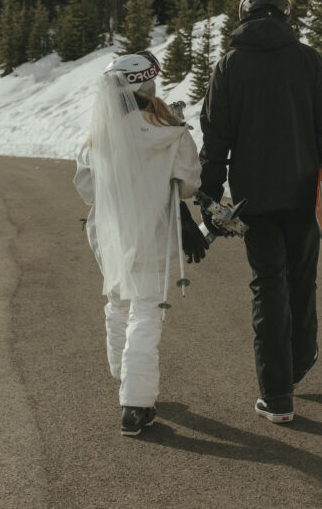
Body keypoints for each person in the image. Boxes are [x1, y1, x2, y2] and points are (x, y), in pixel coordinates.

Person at [199, 0, 322, 424]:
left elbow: (215, 138)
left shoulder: (229, 66)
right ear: (284, 13)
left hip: (254, 200)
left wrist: (210, 195)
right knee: (302, 281)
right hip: (304, 197)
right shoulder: (307, 60)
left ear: (244, 14)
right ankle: (300, 359)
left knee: (268, 286)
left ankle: (277, 395)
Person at [74, 49, 208, 437]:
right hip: (153, 231)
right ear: (149, 86)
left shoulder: (98, 137)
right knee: (146, 313)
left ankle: (124, 376)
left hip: (111, 234)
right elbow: (189, 182)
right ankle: (135, 401)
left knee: (118, 301)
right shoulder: (171, 131)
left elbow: (86, 189)